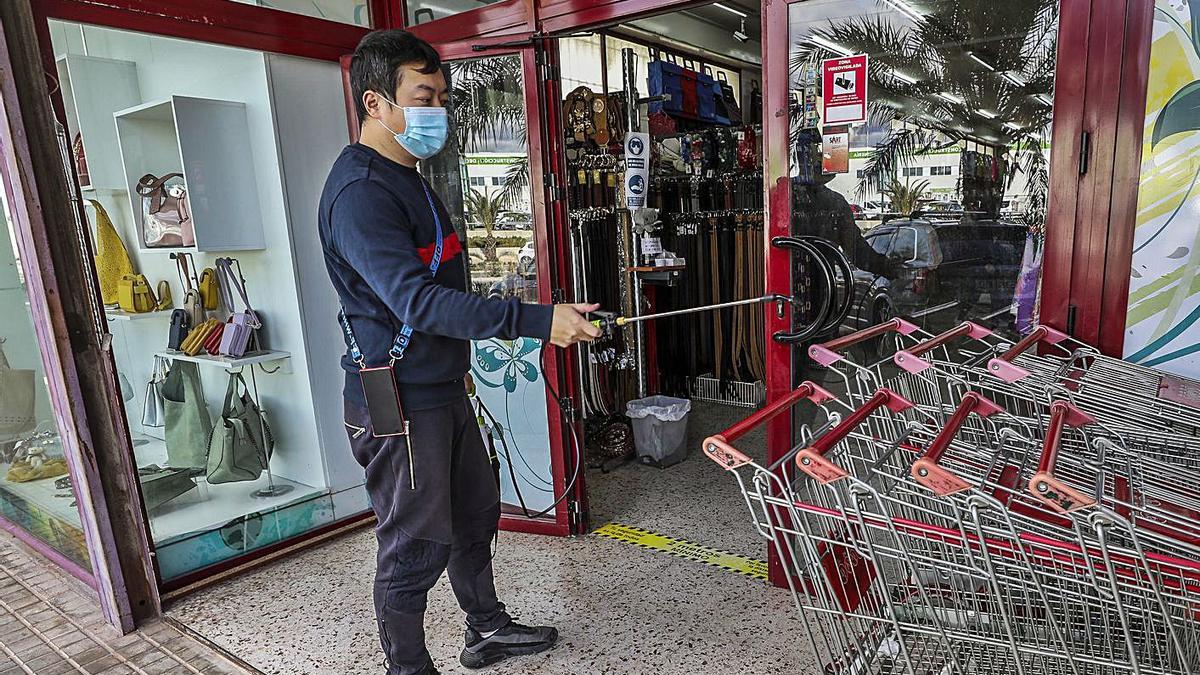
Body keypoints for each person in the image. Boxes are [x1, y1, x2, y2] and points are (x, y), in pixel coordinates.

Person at [318, 30, 601, 675]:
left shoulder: (410, 175)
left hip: (442, 386)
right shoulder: (361, 194)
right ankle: (409, 667)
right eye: (424, 96)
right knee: (415, 543)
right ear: (375, 103)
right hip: (398, 398)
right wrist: (533, 320)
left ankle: (486, 628)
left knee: (475, 515)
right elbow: (416, 303)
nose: (438, 111)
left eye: (442, 95)